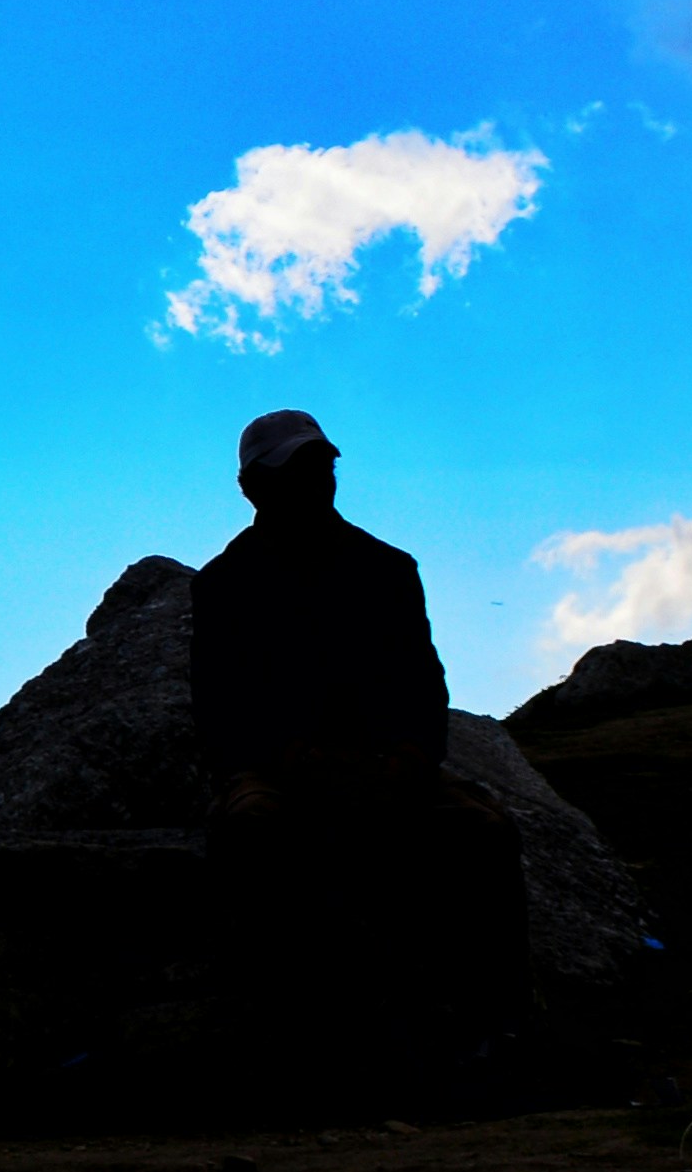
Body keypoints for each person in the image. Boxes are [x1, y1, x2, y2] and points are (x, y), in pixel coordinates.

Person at [188, 408, 526, 1075]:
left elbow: (422, 685)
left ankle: (498, 1030)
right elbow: (221, 707)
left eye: (321, 466)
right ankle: (286, 1037)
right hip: (278, 771)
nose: (315, 481)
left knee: (486, 831)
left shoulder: (387, 569)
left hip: (387, 765)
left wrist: (405, 760)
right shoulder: (224, 585)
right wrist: (294, 760)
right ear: (252, 487)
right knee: (254, 827)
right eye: (296, 470)